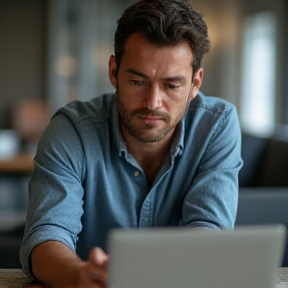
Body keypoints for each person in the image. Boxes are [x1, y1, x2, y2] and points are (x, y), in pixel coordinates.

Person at [20, 0, 243, 287]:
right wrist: (79, 276)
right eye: (138, 81)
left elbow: (210, 227)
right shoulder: (71, 130)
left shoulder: (217, 124)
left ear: (195, 84)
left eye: (172, 86)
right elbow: (46, 235)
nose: (153, 103)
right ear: (114, 71)